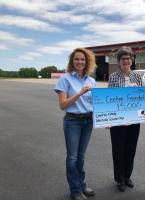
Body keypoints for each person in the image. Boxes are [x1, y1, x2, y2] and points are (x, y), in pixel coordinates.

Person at [55, 48, 96, 200]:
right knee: (72, 157)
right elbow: (63, 105)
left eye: (83, 59)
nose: (80, 62)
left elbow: (96, 104)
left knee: (81, 156)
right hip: (72, 121)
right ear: (72, 61)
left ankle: (82, 185)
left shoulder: (91, 81)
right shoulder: (65, 79)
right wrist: (79, 94)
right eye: (77, 59)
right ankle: (75, 191)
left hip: (88, 121)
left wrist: (108, 119)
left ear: (87, 62)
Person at [108, 46, 142, 192]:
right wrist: (108, 119)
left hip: (134, 120)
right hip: (118, 120)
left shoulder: (137, 76)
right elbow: (109, 100)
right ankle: (119, 179)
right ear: (119, 61)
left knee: (130, 149)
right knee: (118, 150)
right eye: (123, 59)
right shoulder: (113, 77)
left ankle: (127, 176)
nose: (126, 61)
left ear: (132, 60)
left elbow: (141, 98)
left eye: (128, 58)